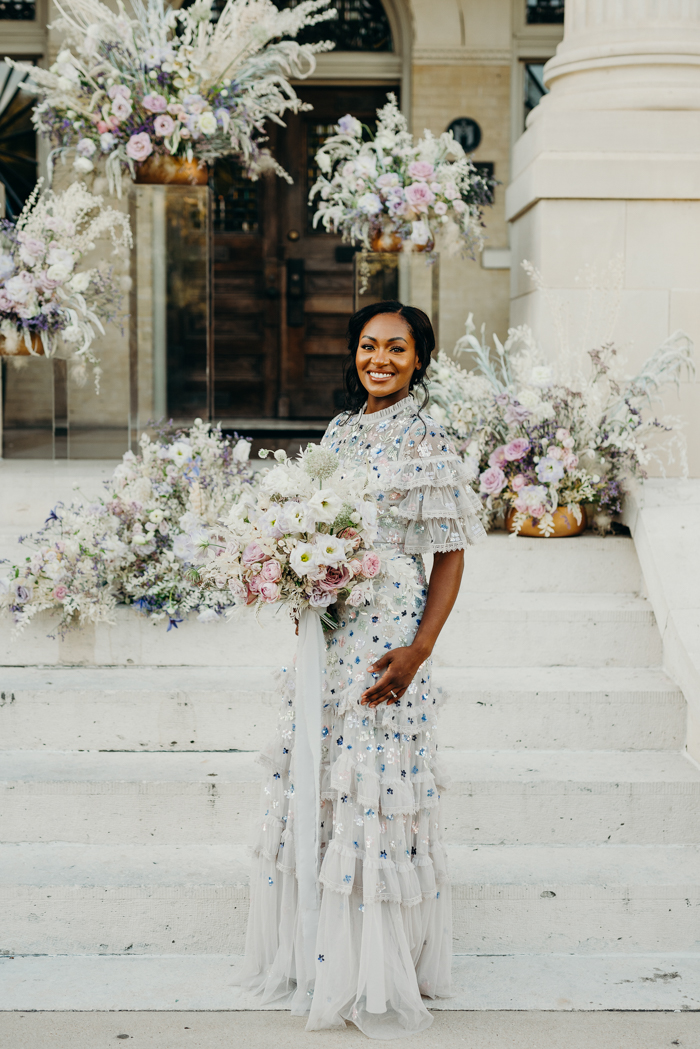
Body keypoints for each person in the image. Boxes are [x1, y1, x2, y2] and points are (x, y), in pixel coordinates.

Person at [239, 300, 486, 1037]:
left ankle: (374, 965)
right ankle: (322, 954)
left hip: (390, 626)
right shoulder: (341, 431)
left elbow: (448, 553)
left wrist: (420, 649)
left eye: (397, 349)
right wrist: (295, 580)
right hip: (331, 623)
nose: (380, 359)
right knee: (319, 775)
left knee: (374, 780)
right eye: (369, 346)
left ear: (420, 359)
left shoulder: (428, 432)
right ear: (354, 353)